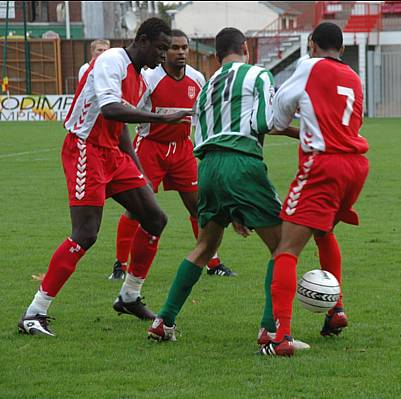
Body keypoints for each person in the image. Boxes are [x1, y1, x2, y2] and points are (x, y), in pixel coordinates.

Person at [18, 18, 192, 337]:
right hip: (85, 148)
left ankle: (128, 296)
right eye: (161, 48)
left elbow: (120, 128)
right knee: (85, 233)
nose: (163, 55)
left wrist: (137, 168)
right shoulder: (112, 60)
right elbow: (111, 109)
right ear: (142, 41)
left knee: (155, 219)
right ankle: (34, 312)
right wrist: (160, 117)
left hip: (112, 153)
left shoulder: (140, 77)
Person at [146, 27, 283, 343]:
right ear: (245, 48)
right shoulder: (258, 75)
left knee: (205, 246)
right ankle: (270, 329)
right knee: (282, 247)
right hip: (241, 163)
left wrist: (233, 204)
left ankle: (163, 321)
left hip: (206, 168)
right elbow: (264, 122)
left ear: (217, 54)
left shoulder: (206, 87)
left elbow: (202, 134)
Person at [258, 22, 370, 357]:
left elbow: (278, 116)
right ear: (342, 46)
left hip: (323, 166)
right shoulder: (353, 76)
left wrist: (285, 127)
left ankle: (281, 337)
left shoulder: (309, 65)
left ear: (311, 43)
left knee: (286, 248)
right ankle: (336, 310)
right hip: (356, 167)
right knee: (322, 232)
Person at [109, 29, 237, 281]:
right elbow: (129, 110)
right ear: (164, 51)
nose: (181, 53)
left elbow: (202, 113)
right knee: (137, 208)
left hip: (182, 149)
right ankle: (120, 265)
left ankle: (212, 262)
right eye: (175, 48)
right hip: (150, 148)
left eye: (184, 48)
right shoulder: (149, 77)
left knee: (199, 206)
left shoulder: (197, 78)